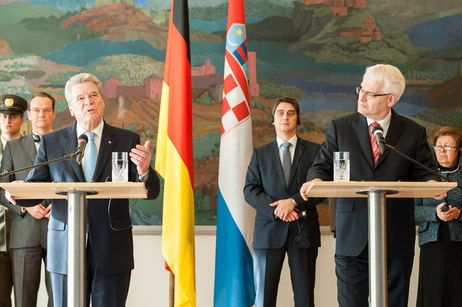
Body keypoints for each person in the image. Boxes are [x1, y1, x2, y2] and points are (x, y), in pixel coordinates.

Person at [8, 73, 160, 307]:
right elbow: (36, 188)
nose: (88, 101)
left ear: (102, 101)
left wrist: (144, 171)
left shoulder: (126, 139)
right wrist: (20, 193)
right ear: (71, 108)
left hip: (111, 248)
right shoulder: (53, 142)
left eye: (93, 95)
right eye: (80, 98)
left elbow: (151, 191)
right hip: (64, 248)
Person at [300, 64, 439, 307]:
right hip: (352, 236)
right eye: (361, 89)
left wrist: (432, 184)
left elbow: (424, 171)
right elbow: (321, 166)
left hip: (395, 236)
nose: (361, 97)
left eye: (370, 94)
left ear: (391, 99)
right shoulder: (341, 127)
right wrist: (315, 180)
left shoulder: (413, 132)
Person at [244, 97, 323, 307]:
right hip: (268, 233)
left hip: (303, 231)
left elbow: (321, 189)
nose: (285, 117)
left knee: (305, 300)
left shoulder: (315, 151)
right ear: (273, 119)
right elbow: (250, 190)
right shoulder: (260, 154)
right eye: (280, 113)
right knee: (263, 300)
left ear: (298, 119)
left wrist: (294, 203)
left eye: (290, 113)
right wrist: (278, 208)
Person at [0, 92, 56, 307]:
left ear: (53, 114)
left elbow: (74, 183)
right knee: (24, 300)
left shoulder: (66, 145)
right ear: (29, 115)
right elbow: (3, 189)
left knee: (60, 298)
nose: (41, 114)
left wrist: (60, 206)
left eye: (46, 110)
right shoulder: (13, 147)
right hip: (24, 233)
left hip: (58, 228)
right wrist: (26, 208)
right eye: (36, 110)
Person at [415, 126, 462, 307]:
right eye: (438, 146)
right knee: (432, 293)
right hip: (430, 243)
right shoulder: (424, 176)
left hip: (458, 243)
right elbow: (411, 210)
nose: (442, 151)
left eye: (448, 147)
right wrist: (433, 213)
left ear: (459, 150)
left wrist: (459, 213)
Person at [0, 94, 27, 307]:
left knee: (23, 299)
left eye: (13, 116)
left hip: (25, 233)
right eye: (3, 116)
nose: (7, 120)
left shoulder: (31, 148)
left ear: (22, 119)